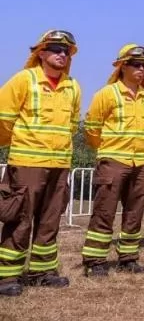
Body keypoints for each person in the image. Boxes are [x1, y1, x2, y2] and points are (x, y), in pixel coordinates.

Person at [0, 30, 80, 296]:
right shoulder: (24, 80)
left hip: (59, 164)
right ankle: (7, 276)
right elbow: (4, 120)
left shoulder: (72, 86)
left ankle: (43, 272)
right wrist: (24, 146)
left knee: (49, 220)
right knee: (20, 219)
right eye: (56, 48)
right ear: (41, 53)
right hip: (27, 163)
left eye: (66, 51)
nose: (61, 54)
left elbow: (71, 125)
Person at [81, 44, 144, 277]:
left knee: (135, 212)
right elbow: (92, 129)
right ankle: (95, 261)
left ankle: (129, 258)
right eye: (135, 64)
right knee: (105, 211)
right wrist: (107, 150)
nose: (141, 68)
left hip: (140, 162)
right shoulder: (107, 94)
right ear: (122, 66)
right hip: (113, 159)